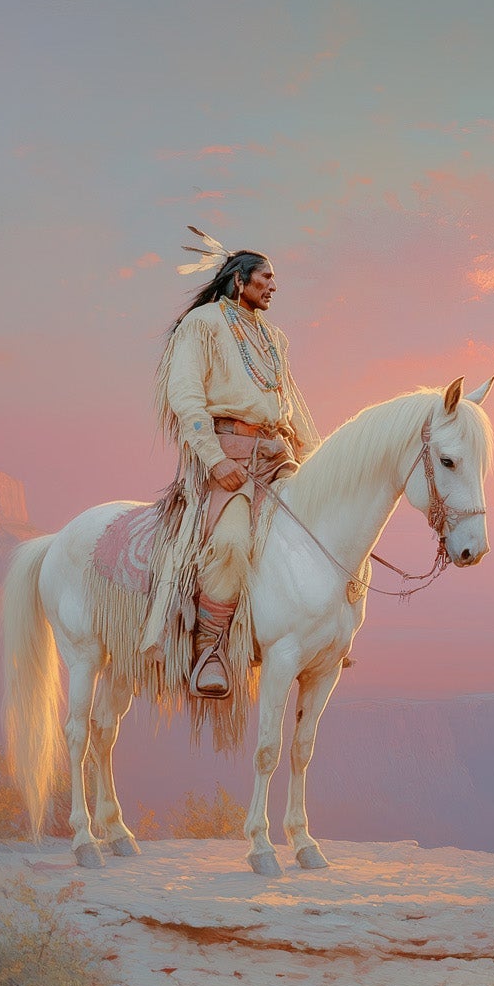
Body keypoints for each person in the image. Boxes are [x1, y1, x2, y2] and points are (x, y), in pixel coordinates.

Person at [152, 229, 321, 698]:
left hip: (277, 455)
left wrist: (317, 459)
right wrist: (212, 459)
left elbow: (294, 404)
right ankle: (209, 651)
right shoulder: (203, 324)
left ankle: (319, 632)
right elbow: (185, 396)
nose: (273, 285)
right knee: (229, 545)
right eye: (266, 276)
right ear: (239, 280)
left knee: (316, 530)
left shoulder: (274, 338)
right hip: (230, 457)